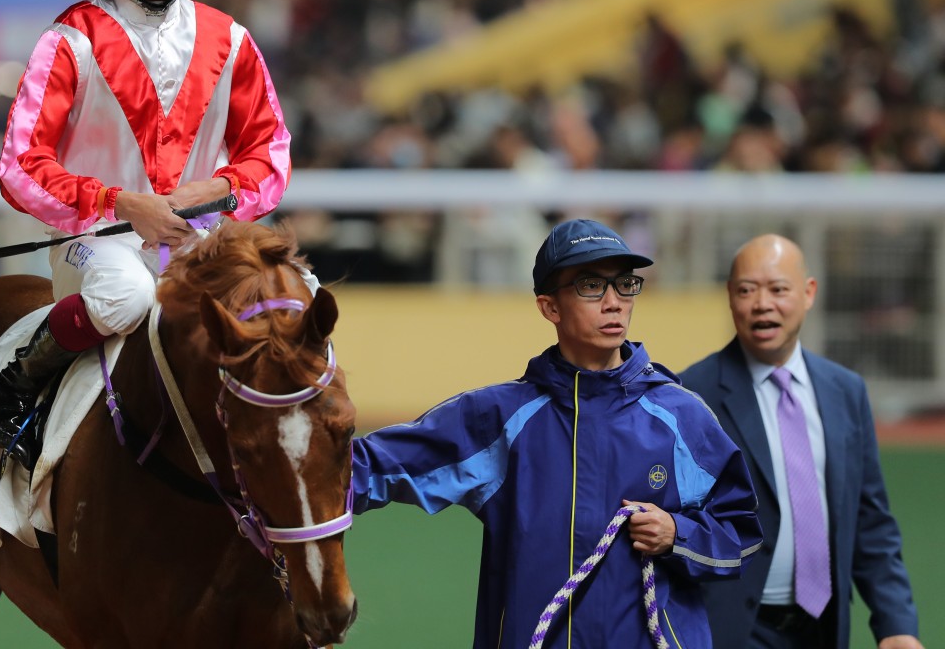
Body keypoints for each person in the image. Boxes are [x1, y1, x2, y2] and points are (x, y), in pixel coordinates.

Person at [0, 0, 293, 469]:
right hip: (96, 241)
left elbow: (271, 155)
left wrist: (222, 188)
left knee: (297, 295)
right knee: (126, 297)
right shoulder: (69, 40)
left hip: (201, 240)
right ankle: (19, 382)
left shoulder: (229, 39)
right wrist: (120, 203)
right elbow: (20, 167)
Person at [351, 218, 763, 648]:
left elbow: (743, 537)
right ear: (549, 307)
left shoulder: (683, 416)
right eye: (590, 285)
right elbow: (362, 468)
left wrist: (678, 535)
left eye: (625, 284)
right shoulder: (497, 417)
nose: (614, 302)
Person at [681, 234, 922, 649]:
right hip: (730, 633)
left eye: (778, 289)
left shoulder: (845, 391)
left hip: (823, 631)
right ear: (729, 297)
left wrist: (896, 623)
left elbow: (870, 522)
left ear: (808, 293)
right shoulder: (691, 396)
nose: (762, 304)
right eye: (746, 290)